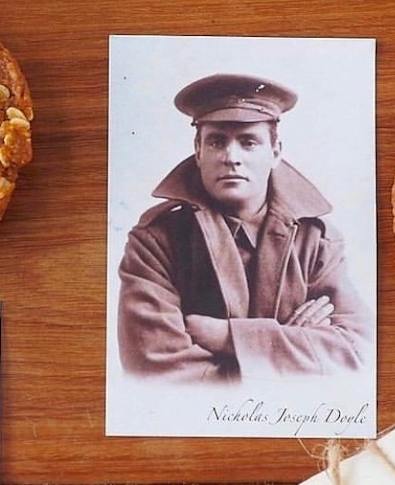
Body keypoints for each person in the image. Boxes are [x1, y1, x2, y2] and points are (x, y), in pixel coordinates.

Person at [116, 73, 373, 383]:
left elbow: (357, 354)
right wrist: (290, 349)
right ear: (198, 150)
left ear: (275, 152)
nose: (231, 157)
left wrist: (227, 337)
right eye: (216, 142)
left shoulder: (317, 241)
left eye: (248, 142)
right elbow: (155, 369)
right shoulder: (156, 240)